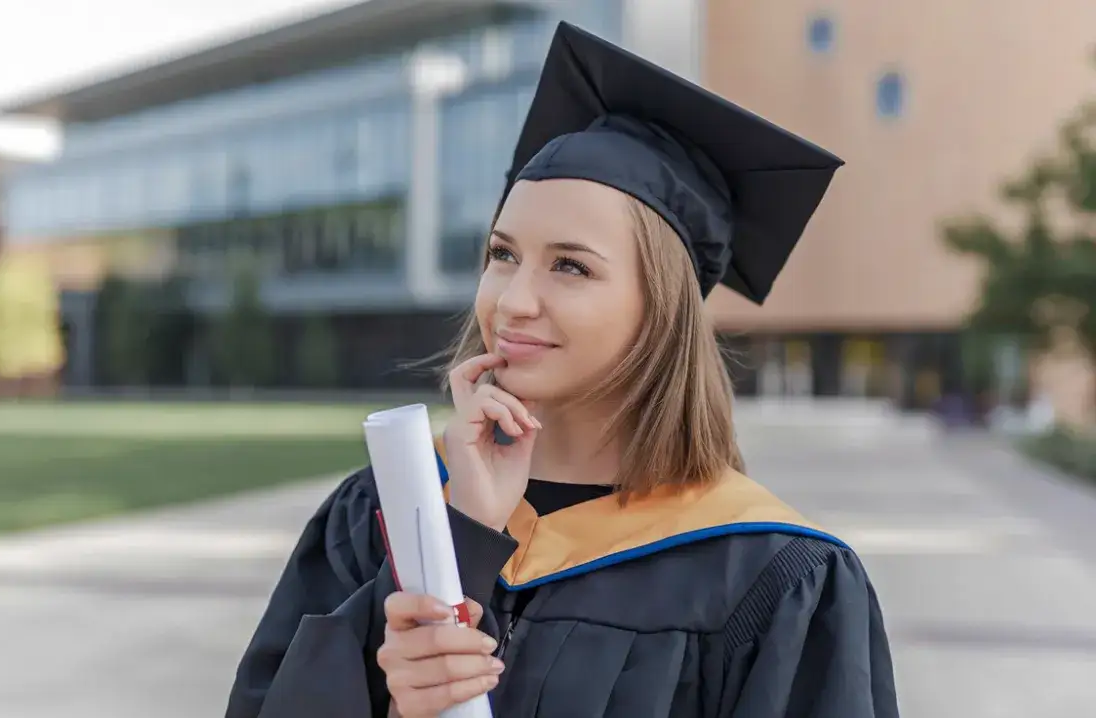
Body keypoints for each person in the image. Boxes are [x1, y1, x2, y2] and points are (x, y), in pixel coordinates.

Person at [224, 21, 899, 718]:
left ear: (661, 310)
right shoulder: (374, 517)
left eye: (571, 266)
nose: (513, 301)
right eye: (502, 255)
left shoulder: (771, 578)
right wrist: (458, 545)